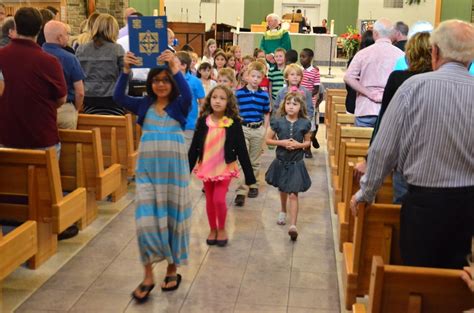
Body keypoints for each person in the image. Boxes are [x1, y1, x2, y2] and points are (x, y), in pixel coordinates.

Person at [350, 20, 474, 269]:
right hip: (468, 205)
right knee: (456, 282)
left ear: (435, 51)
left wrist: (366, 193)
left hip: (423, 204)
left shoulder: (413, 88)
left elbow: (384, 148)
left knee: (418, 275)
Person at [113, 50, 192, 302]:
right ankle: (148, 275)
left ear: (172, 83)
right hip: (148, 170)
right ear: (150, 83)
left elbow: (187, 92)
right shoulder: (143, 103)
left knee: (173, 218)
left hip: (174, 171)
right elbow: (117, 96)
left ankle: (171, 269)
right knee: (145, 221)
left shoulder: (180, 104)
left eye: (165, 80)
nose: (160, 84)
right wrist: (125, 71)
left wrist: (174, 65)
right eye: (156, 80)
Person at [354, 32, 433, 205]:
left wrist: (369, 159)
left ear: (410, 53)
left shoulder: (399, 78)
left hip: (406, 158)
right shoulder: (440, 82)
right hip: (437, 163)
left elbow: (384, 122)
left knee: (404, 212)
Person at [189, 85, 256, 247]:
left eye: (222, 98)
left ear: (228, 102)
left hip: (224, 168)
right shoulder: (203, 121)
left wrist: (250, 176)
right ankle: (213, 229)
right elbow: (194, 147)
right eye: (214, 97)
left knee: (219, 199)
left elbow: (242, 150)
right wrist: (186, 170)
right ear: (209, 100)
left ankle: (222, 228)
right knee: (210, 200)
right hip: (206, 166)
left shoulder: (233, 123)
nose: (217, 101)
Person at [0, 7, 66, 152]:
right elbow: (61, 98)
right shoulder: (49, 61)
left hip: (5, 137)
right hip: (41, 138)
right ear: (40, 28)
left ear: (15, 27)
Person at [265, 92, 311, 241]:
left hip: (296, 163)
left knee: (293, 193)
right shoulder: (277, 122)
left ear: (300, 107)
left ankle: (293, 226)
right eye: (289, 103)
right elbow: (268, 140)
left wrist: (299, 145)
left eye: (295, 104)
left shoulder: (304, 123)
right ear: (284, 105)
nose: (291, 107)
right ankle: (283, 210)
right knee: (283, 188)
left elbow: (307, 142)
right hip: (281, 161)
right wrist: (282, 143)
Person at [344, 18, 404, 127]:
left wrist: (369, 93)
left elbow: (348, 77)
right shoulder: (401, 55)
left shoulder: (363, 54)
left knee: (362, 143)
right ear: (392, 34)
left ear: (375, 34)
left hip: (366, 109)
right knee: (386, 144)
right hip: (390, 109)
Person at [234, 61, 270, 206]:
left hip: (257, 129)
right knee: (242, 161)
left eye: (258, 77)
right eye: (253, 76)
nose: (255, 79)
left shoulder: (264, 95)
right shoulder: (239, 93)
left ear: (262, 79)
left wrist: (264, 130)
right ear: (246, 77)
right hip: (243, 128)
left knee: (254, 160)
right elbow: (235, 111)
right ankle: (241, 191)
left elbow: (266, 113)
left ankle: (253, 184)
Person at [76, 13, 125, 115]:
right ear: (113, 29)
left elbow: (77, 75)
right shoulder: (117, 49)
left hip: (89, 99)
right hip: (112, 100)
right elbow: (126, 75)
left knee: (93, 125)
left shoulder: (81, 49)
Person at [43, 21, 85, 129]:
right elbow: (80, 92)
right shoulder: (70, 58)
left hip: (41, 109)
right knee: (68, 145)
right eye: (67, 34)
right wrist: (75, 109)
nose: (68, 37)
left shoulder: (36, 55)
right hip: (65, 109)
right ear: (60, 37)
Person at [176, 51, 205, 148]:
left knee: (186, 156)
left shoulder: (195, 81)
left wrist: (200, 122)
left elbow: (203, 104)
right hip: (172, 125)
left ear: (183, 65)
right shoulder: (170, 80)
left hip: (189, 124)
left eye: (174, 63)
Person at [345, 30, 375, 114]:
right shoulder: (378, 60)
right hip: (371, 106)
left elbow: (349, 83)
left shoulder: (355, 58)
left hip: (353, 101)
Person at [299, 48, 321, 155]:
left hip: (309, 103)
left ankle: (307, 148)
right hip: (298, 102)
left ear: (311, 58)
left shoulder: (315, 72)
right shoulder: (299, 71)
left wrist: (305, 95)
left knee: (309, 126)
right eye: (300, 56)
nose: (301, 59)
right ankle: (300, 146)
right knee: (299, 124)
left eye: (304, 57)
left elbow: (316, 89)